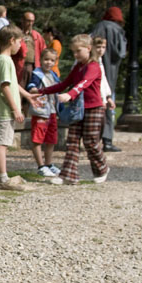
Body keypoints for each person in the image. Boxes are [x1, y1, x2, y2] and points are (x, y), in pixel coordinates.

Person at [36, 34, 109, 185]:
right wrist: (41, 91)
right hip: (77, 109)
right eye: (73, 52)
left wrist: (70, 95)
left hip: (93, 108)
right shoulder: (78, 67)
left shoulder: (93, 66)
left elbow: (84, 83)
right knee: (72, 141)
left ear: (88, 48)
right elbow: (64, 84)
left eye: (78, 51)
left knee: (90, 142)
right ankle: (68, 176)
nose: (75, 55)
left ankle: (102, 168)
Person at [0, 25, 35, 191]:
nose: (20, 45)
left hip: (7, 110)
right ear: (11, 40)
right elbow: (5, 86)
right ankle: (2, 177)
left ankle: (2, 175)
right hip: (5, 111)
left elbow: (13, 83)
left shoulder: (6, 59)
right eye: (19, 42)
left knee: (4, 142)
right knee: (2, 144)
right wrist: (15, 109)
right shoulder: (4, 60)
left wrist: (28, 96)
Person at [91, 7, 127, 152]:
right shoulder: (118, 30)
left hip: (94, 71)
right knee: (108, 102)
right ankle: (107, 140)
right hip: (110, 73)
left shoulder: (98, 27)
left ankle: (93, 140)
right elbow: (121, 53)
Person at [27, 48, 61, 178]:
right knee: (38, 138)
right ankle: (41, 166)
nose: (48, 62)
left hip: (52, 111)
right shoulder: (37, 74)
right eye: (46, 59)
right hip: (41, 111)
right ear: (41, 60)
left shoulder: (54, 75)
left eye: (52, 60)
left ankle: (49, 163)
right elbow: (32, 86)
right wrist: (34, 90)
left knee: (51, 139)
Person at [93, 37, 118, 148]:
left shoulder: (100, 61)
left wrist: (108, 97)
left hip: (102, 99)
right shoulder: (92, 62)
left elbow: (104, 81)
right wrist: (101, 98)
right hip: (95, 99)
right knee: (95, 126)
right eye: (98, 47)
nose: (101, 50)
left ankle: (96, 147)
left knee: (101, 124)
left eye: (103, 47)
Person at [14, 11, 46, 88]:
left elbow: (44, 51)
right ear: (22, 20)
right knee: (18, 89)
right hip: (19, 66)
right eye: (28, 21)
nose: (30, 23)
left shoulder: (36, 35)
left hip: (33, 67)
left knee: (32, 89)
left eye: (32, 21)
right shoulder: (16, 34)